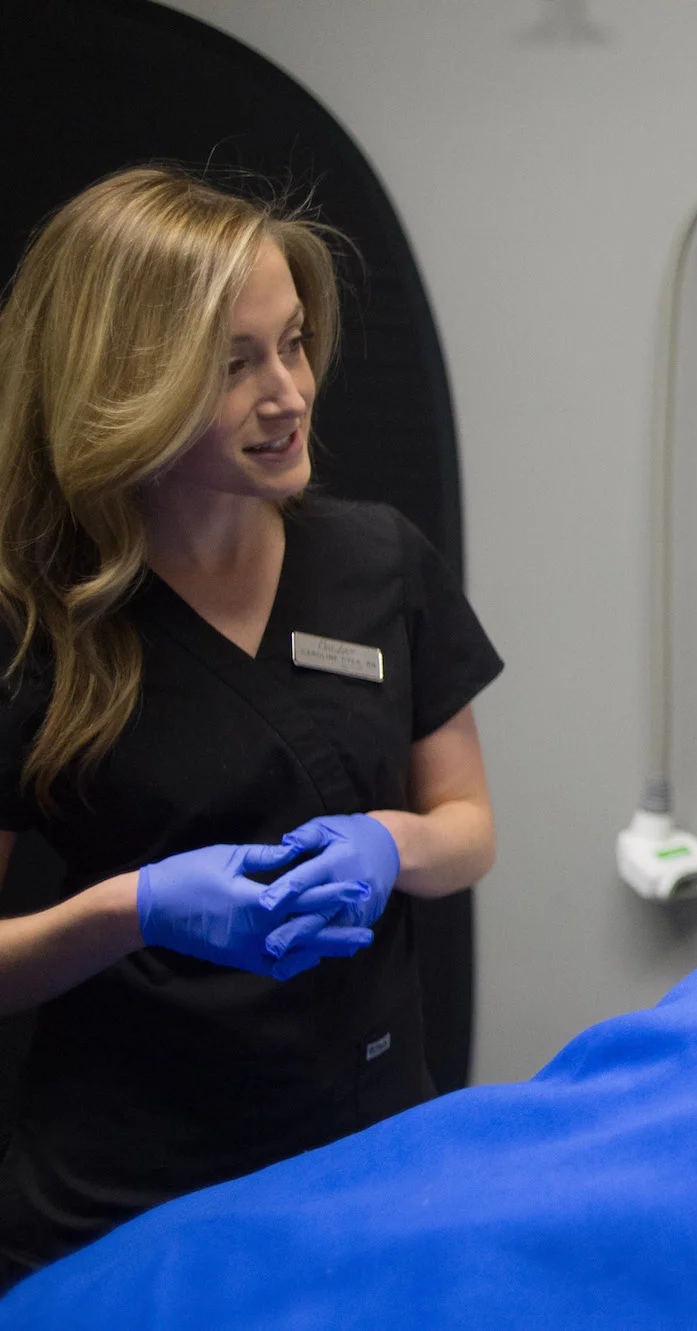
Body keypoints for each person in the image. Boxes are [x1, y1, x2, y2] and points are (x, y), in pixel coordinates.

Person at [0, 167, 504, 1276]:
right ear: (120, 385)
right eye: (232, 366)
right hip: (131, 1204)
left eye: (294, 342)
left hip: (371, 1147)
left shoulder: (380, 562)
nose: (287, 392)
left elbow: (468, 825)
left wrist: (393, 841)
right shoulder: (36, 627)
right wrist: (132, 910)